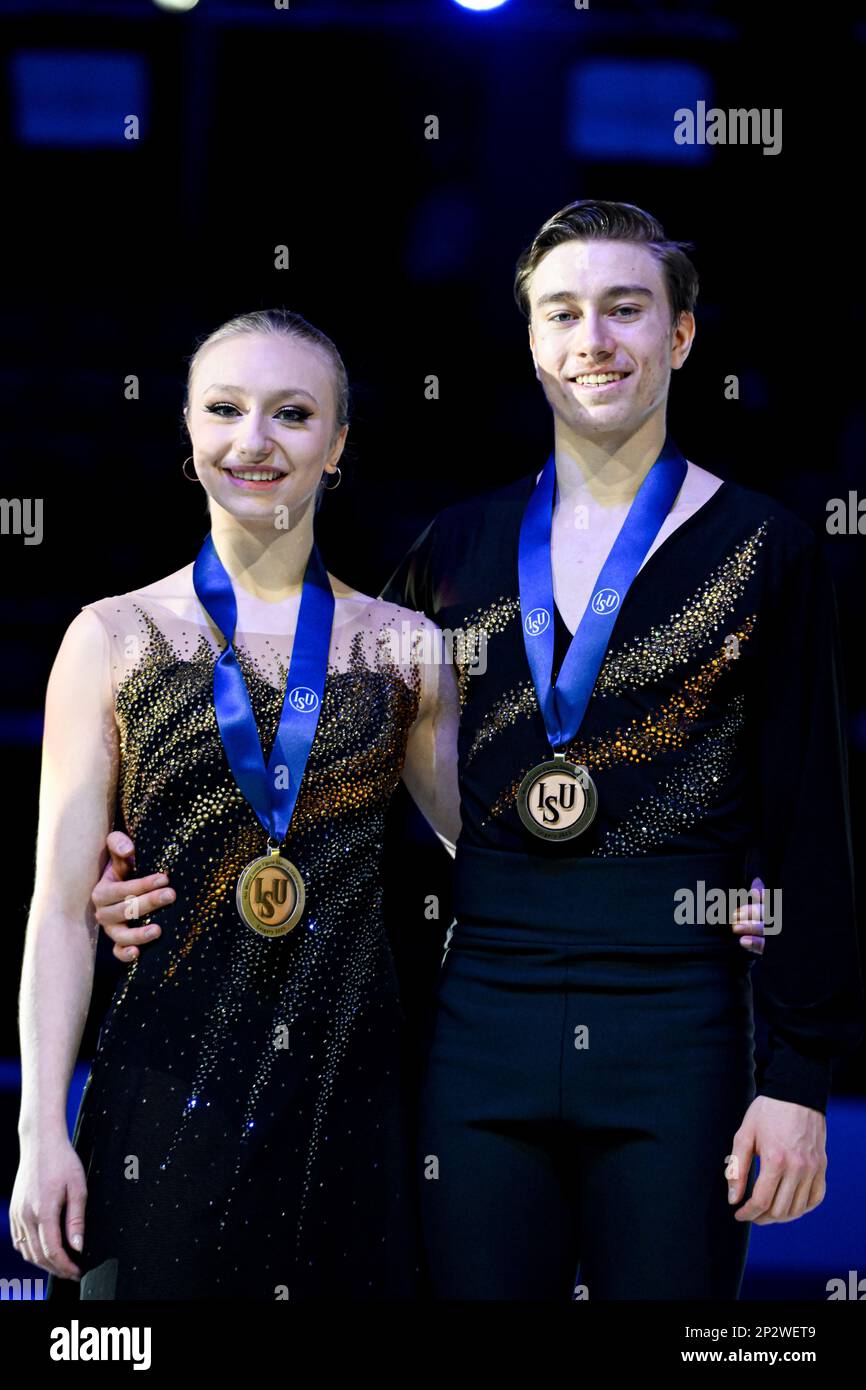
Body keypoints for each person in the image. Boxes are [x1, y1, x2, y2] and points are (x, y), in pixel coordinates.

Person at [374, 199, 865, 1299]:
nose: (591, 339)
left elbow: (809, 820)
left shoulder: (764, 549)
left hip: (678, 1025)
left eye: (623, 309)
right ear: (534, 340)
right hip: (481, 1015)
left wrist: (796, 1075)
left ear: (680, 336)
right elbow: (355, 778)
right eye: (562, 313)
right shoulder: (454, 546)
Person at [11, 309, 461, 1301]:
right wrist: (40, 1124)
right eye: (225, 408)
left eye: (292, 413)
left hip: (354, 1115)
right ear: (186, 426)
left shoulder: (405, 649)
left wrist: (694, 896)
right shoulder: (110, 638)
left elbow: (506, 866)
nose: (253, 441)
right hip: (157, 1104)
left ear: (337, 444)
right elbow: (59, 907)